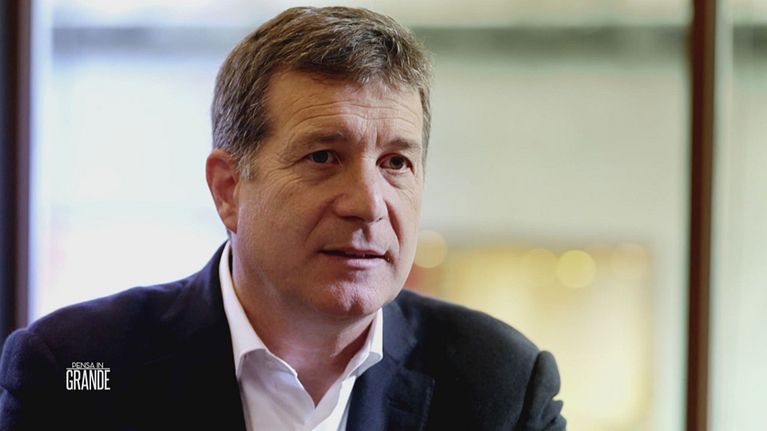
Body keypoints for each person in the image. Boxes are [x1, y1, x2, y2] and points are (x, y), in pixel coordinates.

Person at [0, 6, 565, 430]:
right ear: (228, 189)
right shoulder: (80, 368)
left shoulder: (500, 385)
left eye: (396, 162)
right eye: (323, 157)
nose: (368, 204)